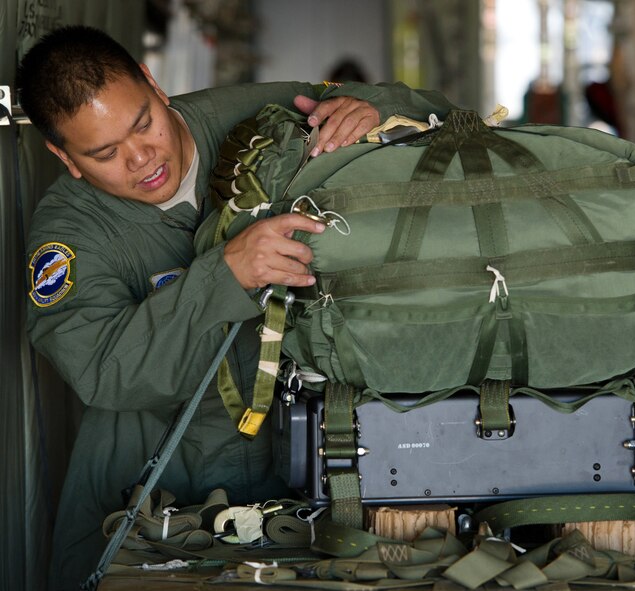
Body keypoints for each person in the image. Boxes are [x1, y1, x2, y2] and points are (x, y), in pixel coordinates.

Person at [17, 25, 456, 590]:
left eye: (143, 122)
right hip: (151, 495)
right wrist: (224, 274)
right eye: (105, 153)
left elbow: (440, 113)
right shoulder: (71, 230)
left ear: (154, 84)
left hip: (304, 473)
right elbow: (105, 372)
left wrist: (375, 108)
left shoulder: (255, 115)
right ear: (64, 156)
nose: (141, 157)